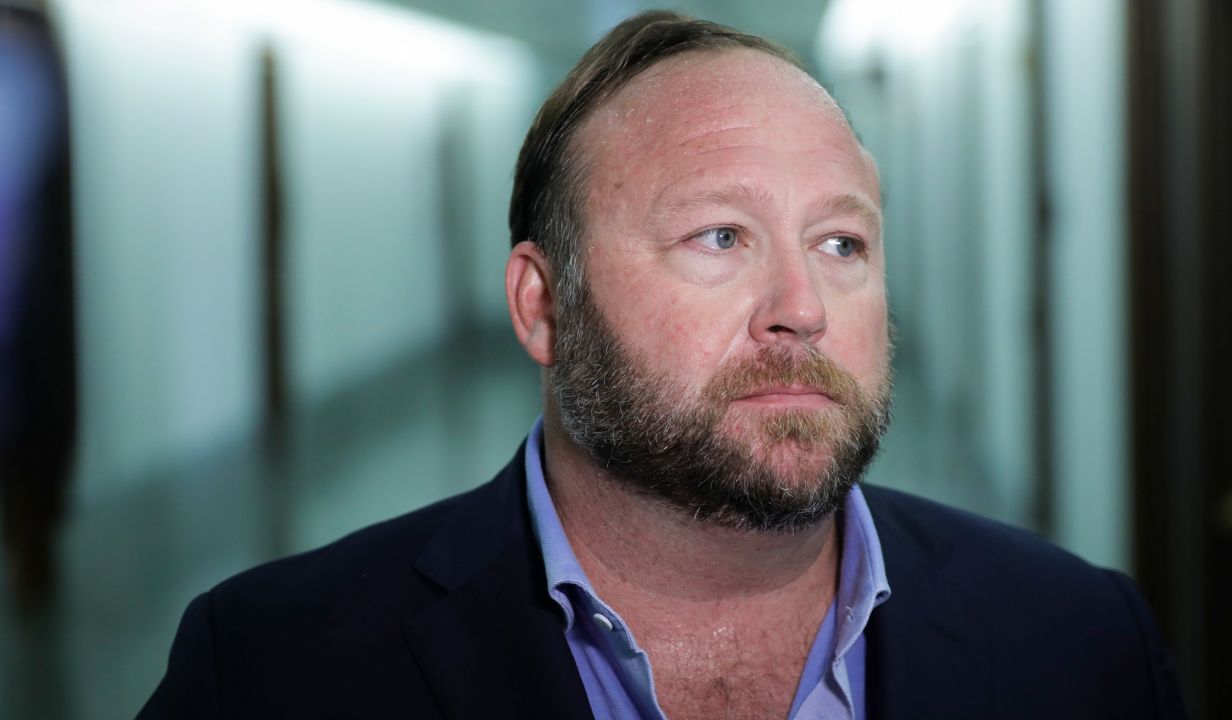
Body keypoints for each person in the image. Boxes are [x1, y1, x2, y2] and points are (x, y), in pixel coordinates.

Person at [140, 11, 1186, 719]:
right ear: (541, 305)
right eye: (719, 237)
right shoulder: (276, 672)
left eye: (841, 244)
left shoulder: (1081, 643)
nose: (800, 311)